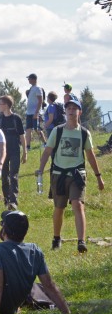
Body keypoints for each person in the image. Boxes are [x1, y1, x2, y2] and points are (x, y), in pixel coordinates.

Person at [38, 98, 105, 253]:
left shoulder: (84, 133)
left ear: (79, 112)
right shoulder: (58, 131)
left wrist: (98, 176)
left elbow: (90, 155)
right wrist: (40, 170)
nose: (71, 111)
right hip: (58, 174)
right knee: (59, 208)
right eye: (68, 108)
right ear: (65, 111)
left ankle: (81, 241)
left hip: (77, 175)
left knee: (78, 204)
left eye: (74, 108)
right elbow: (48, 151)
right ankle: (56, 238)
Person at [0, 95, 27, 210]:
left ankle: (13, 200)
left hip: (15, 150)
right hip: (2, 152)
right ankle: (6, 199)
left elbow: (22, 136)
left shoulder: (16, 118)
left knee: (13, 175)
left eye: (0, 104)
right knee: (4, 176)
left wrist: (25, 152)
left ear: (7, 105)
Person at [25, 73, 43, 150]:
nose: (28, 80)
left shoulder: (38, 88)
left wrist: (36, 112)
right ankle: (28, 146)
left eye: (29, 79)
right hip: (29, 112)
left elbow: (40, 101)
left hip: (35, 112)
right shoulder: (31, 88)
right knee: (28, 129)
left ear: (33, 79)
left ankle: (45, 143)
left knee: (37, 129)